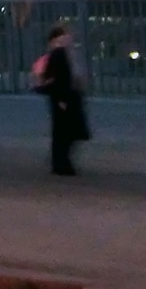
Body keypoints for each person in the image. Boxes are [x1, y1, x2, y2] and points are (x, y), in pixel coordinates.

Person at [35, 21, 91, 177]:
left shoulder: (61, 53)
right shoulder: (59, 54)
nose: (69, 37)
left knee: (63, 132)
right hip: (64, 96)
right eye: (66, 35)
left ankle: (60, 162)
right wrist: (62, 98)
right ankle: (61, 163)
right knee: (65, 132)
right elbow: (59, 77)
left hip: (64, 96)